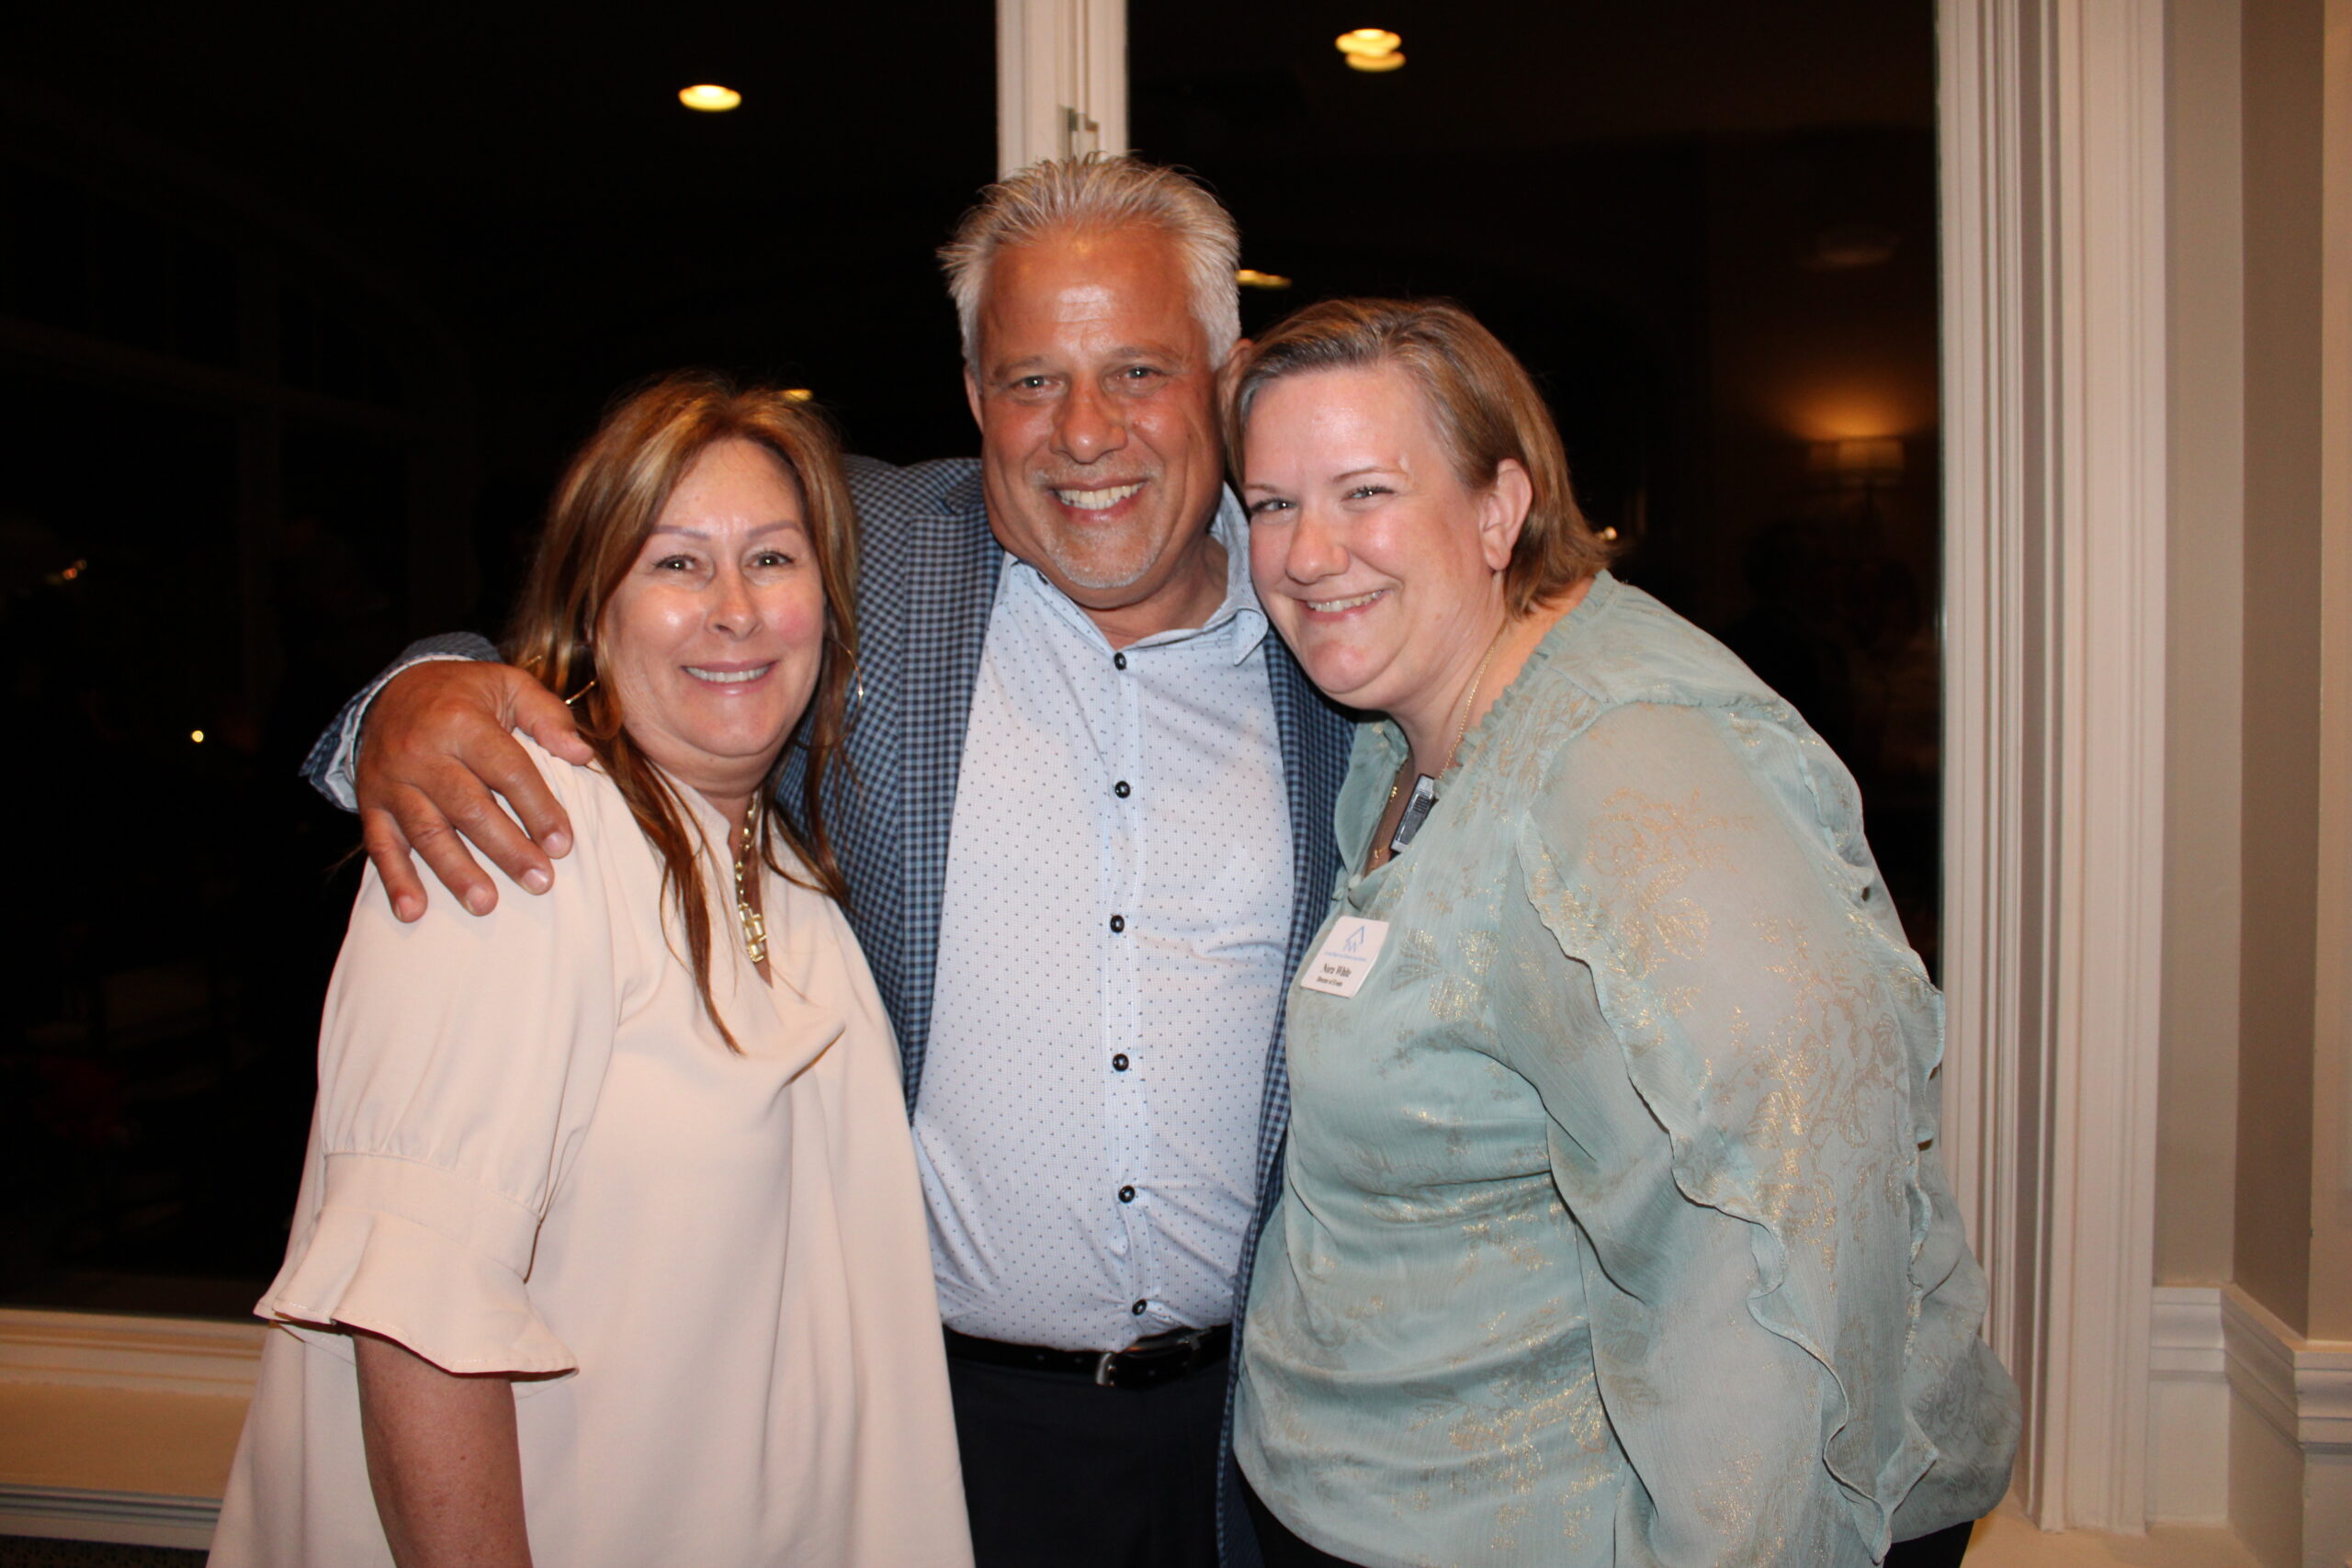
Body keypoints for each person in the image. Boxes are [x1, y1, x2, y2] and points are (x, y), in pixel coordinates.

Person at [300, 157, 1354, 1568]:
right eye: (1031, 380)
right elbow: (628, 608)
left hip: (1252, 1432)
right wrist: (415, 695)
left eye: (1139, 372)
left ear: (1225, 380)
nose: (1085, 434)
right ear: (972, 394)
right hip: (935, 1426)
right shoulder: (874, 555)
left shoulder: (1329, 617)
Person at [1225, 299, 2019, 1568]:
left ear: (1500, 508)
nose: (1309, 553)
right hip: (1380, 1490)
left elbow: (1793, 1198)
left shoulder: (1625, 765)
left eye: (1366, 491)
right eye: (1272, 504)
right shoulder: (1406, 727)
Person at [215, 373, 972, 1568]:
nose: (734, 610)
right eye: (676, 563)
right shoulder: (520, 842)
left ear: (828, 604)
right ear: (590, 601)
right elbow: (417, 1324)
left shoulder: (782, 867)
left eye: (773, 559)